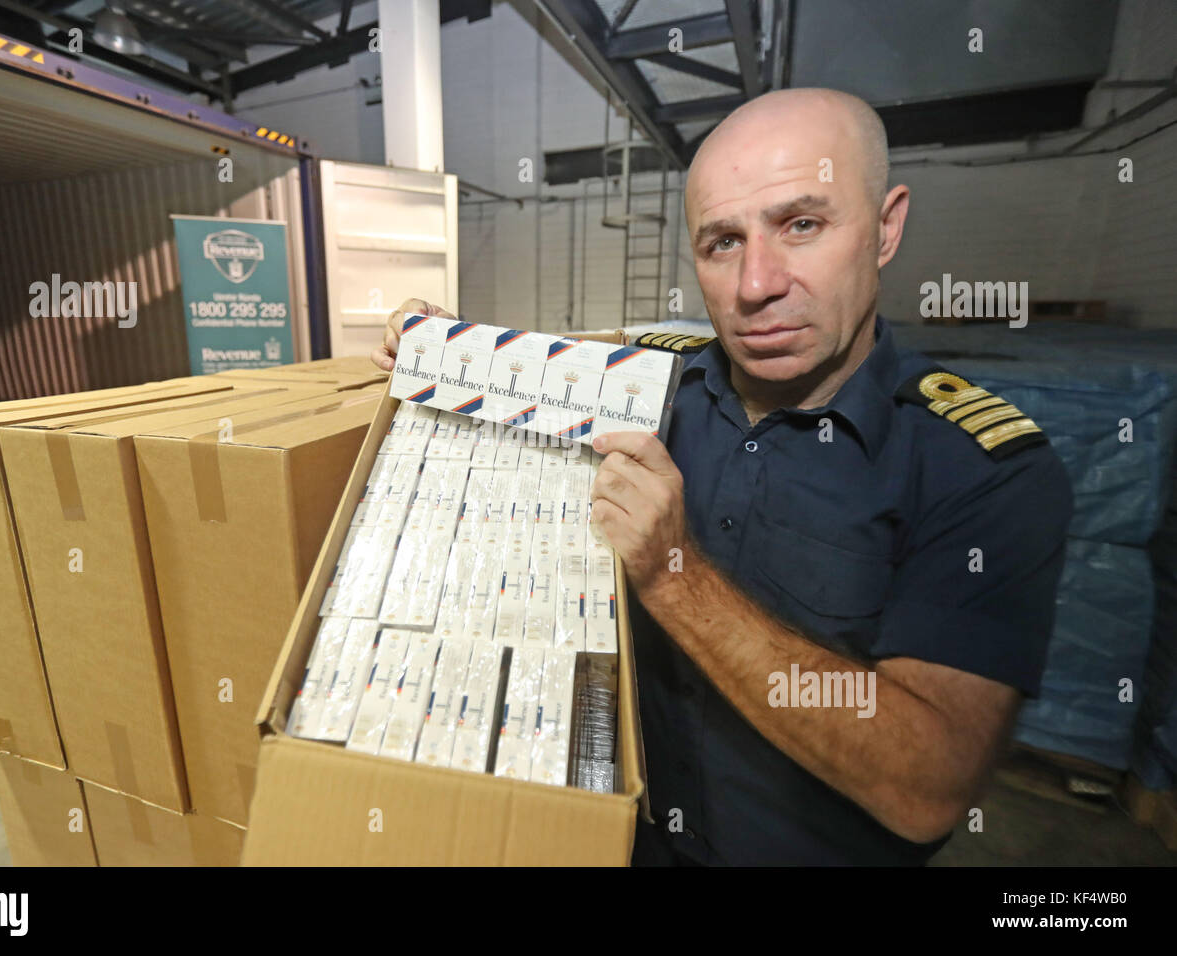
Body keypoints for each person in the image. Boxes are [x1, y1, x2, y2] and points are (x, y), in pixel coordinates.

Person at [371, 88, 1072, 865]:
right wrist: (435, 341)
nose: (755, 285)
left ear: (885, 226)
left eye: (801, 225)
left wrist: (675, 579)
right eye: (721, 243)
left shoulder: (979, 470)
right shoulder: (646, 381)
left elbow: (927, 786)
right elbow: (517, 363)